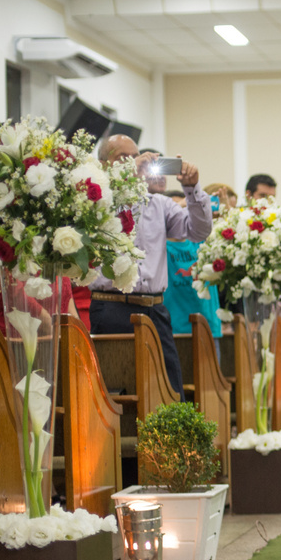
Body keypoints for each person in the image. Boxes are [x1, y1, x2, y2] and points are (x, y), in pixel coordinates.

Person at [90, 135, 211, 398]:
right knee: (116, 389)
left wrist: (192, 188)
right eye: (124, 158)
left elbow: (198, 231)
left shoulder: (159, 203)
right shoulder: (94, 200)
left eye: (135, 157)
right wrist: (128, 175)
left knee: (168, 390)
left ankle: (169, 440)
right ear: (103, 164)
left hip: (154, 308)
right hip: (111, 307)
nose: (134, 162)